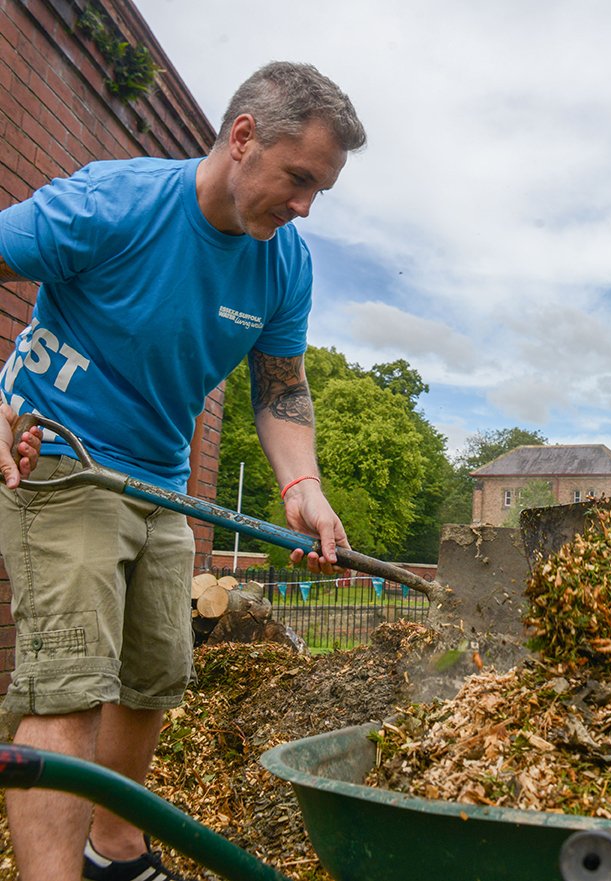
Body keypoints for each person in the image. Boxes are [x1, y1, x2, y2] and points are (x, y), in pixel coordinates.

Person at [0, 61, 366, 881]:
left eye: (321, 191)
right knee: (67, 684)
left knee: (154, 674)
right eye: (298, 178)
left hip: (161, 481)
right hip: (62, 457)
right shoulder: (111, 203)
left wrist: (302, 487)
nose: (305, 206)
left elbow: (283, 388)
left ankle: (115, 853)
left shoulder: (284, 265)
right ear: (242, 139)